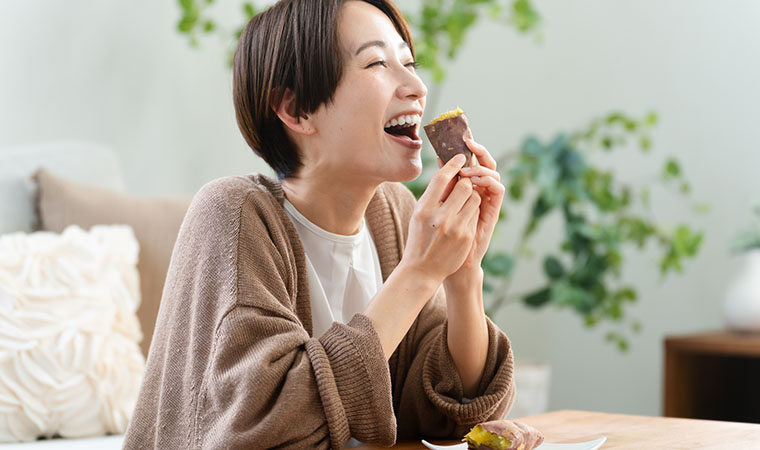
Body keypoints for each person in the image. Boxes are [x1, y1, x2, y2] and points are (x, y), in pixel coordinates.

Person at [122, 0, 514, 448]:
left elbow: (447, 405)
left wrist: (462, 276)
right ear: (296, 109)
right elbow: (264, 427)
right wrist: (420, 273)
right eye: (377, 63)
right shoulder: (232, 215)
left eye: (410, 62)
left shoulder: (394, 213)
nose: (417, 86)